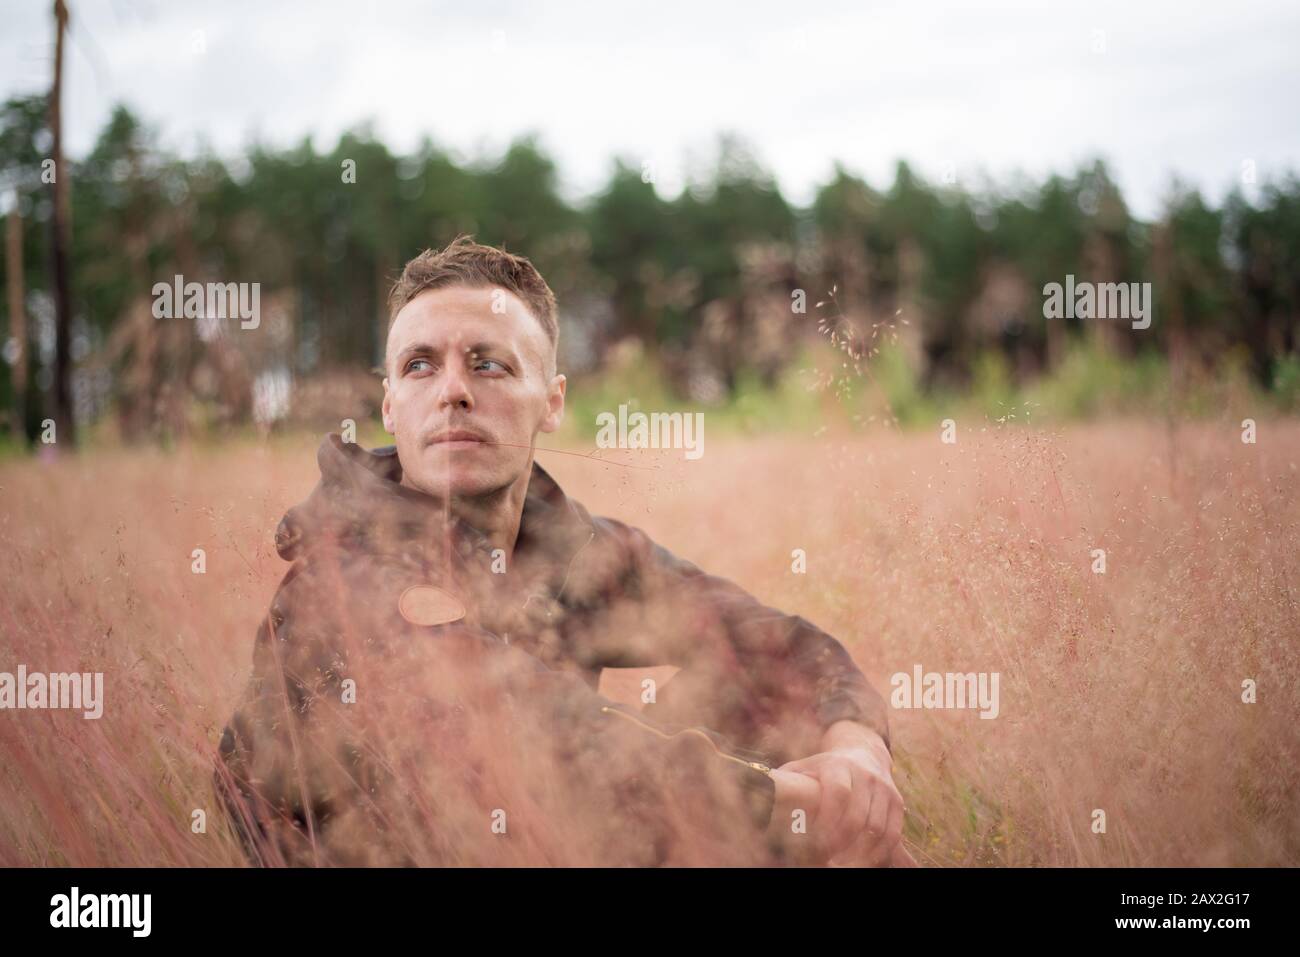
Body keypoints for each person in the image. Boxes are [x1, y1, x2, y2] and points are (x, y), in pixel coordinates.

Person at [214, 236, 908, 867]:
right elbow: (556, 747)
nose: (453, 391)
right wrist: (802, 805)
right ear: (391, 405)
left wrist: (856, 749)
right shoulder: (346, 574)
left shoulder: (572, 547)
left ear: (551, 402)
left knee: (742, 686)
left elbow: (770, 641)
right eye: (420, 366)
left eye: (487, 364)